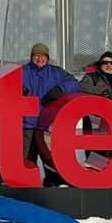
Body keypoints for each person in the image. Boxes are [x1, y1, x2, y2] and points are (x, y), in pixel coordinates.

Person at [21, 43, 80, 183]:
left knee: (50, 158)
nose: (39, 59)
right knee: (27, 158)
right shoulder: (22, 71)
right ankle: (27, 184)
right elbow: (4, 83)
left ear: (47, 58)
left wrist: (61, 89)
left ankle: (53, 183)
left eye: (42, 56)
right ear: (31, 57)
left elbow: (74, 83)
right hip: (27, 124)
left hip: (47, 125)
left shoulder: (56, 72)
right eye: (36, 56)